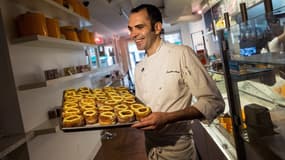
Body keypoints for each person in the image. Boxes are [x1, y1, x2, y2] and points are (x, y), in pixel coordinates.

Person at [128, 4, 225, 160]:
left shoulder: (181, 53)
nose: (133, 34)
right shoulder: (139, 68)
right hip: (150, 149)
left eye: (139, 27)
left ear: (157, 27)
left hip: (179, 151)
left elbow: (214, 102)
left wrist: (167, 118)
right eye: (130, 29)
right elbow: (142, 108)